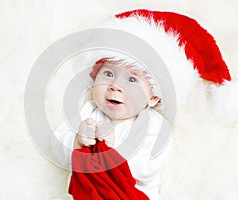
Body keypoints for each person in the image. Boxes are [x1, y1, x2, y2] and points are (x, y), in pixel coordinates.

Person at [50, 56, 172, 199]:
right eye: (109, 74)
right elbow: (55, 145)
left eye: (132, 80)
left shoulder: (154, 124)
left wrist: (113, 148)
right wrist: (77, 142)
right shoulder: (89, 111)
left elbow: (149, 167)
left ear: (153, 98)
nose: (115, 86)